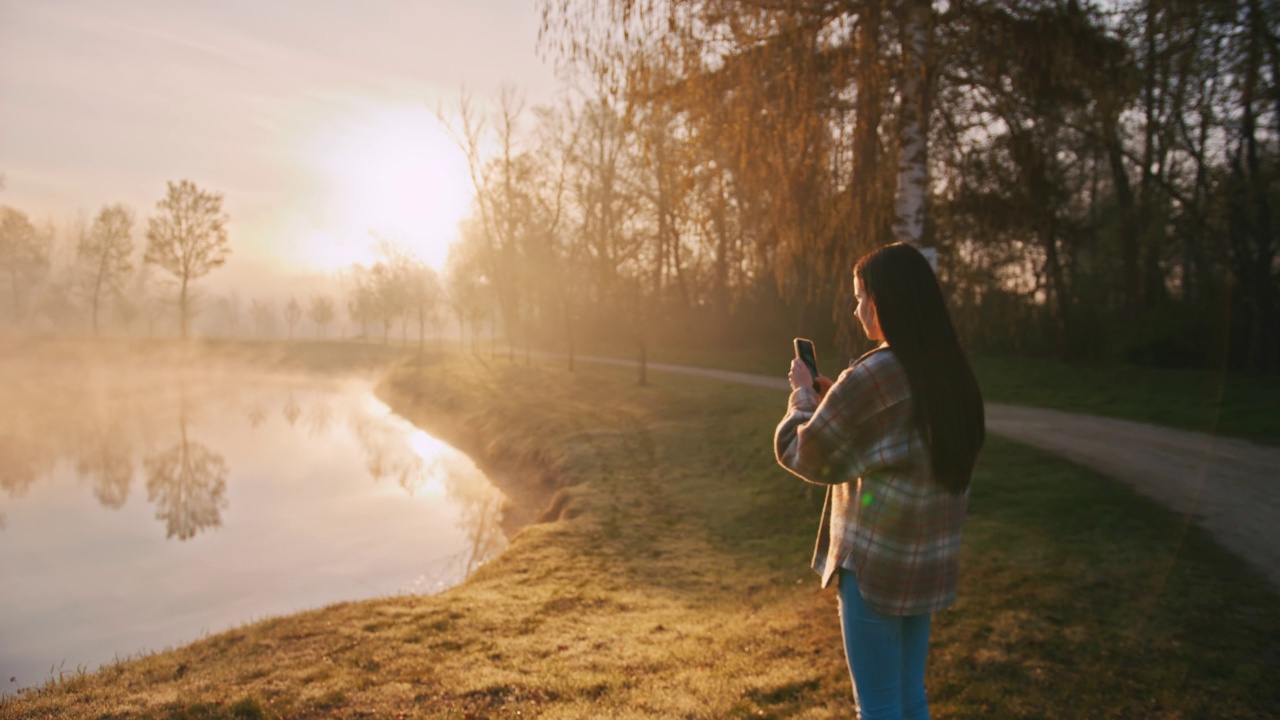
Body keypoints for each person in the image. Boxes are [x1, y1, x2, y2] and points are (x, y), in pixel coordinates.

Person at [774, 242, 985, 720]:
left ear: (882, 300)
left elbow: (804, 452)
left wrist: (804, 398)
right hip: (928, 561)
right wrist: (836, 399)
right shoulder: (951, 371)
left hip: (877, 567)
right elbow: (896, 434)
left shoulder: (874, 372)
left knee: (879, 707)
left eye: (859, 297)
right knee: (912, 697)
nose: (855, 309)